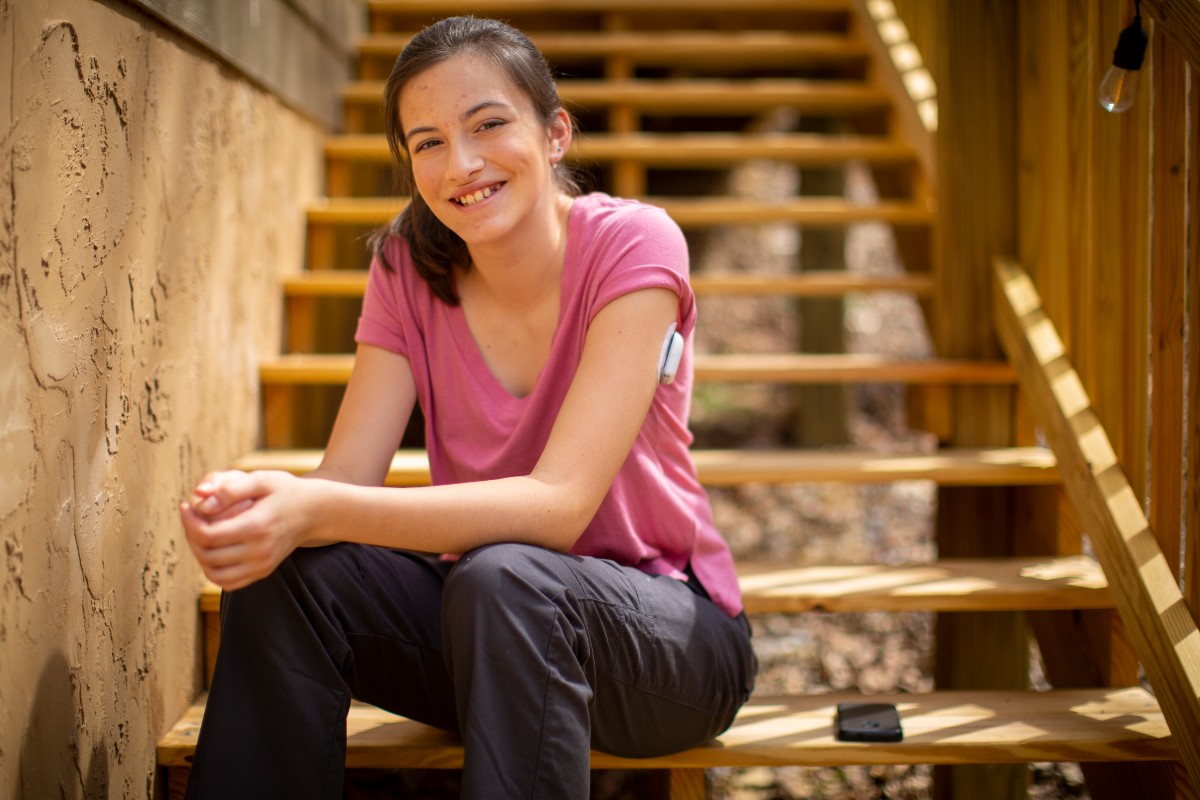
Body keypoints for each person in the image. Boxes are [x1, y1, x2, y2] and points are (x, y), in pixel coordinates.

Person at [179, 16, 757, 799]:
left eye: (489, 124)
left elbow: (558, 508)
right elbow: (346, 481)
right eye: (428, 142)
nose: (463, 163)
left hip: (668, 646)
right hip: (491, 631)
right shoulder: (405, 266)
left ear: (556, 134)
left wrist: (315, 506)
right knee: (290, 575)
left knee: (504, 575)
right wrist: (267, 517)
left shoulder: (634, 244)